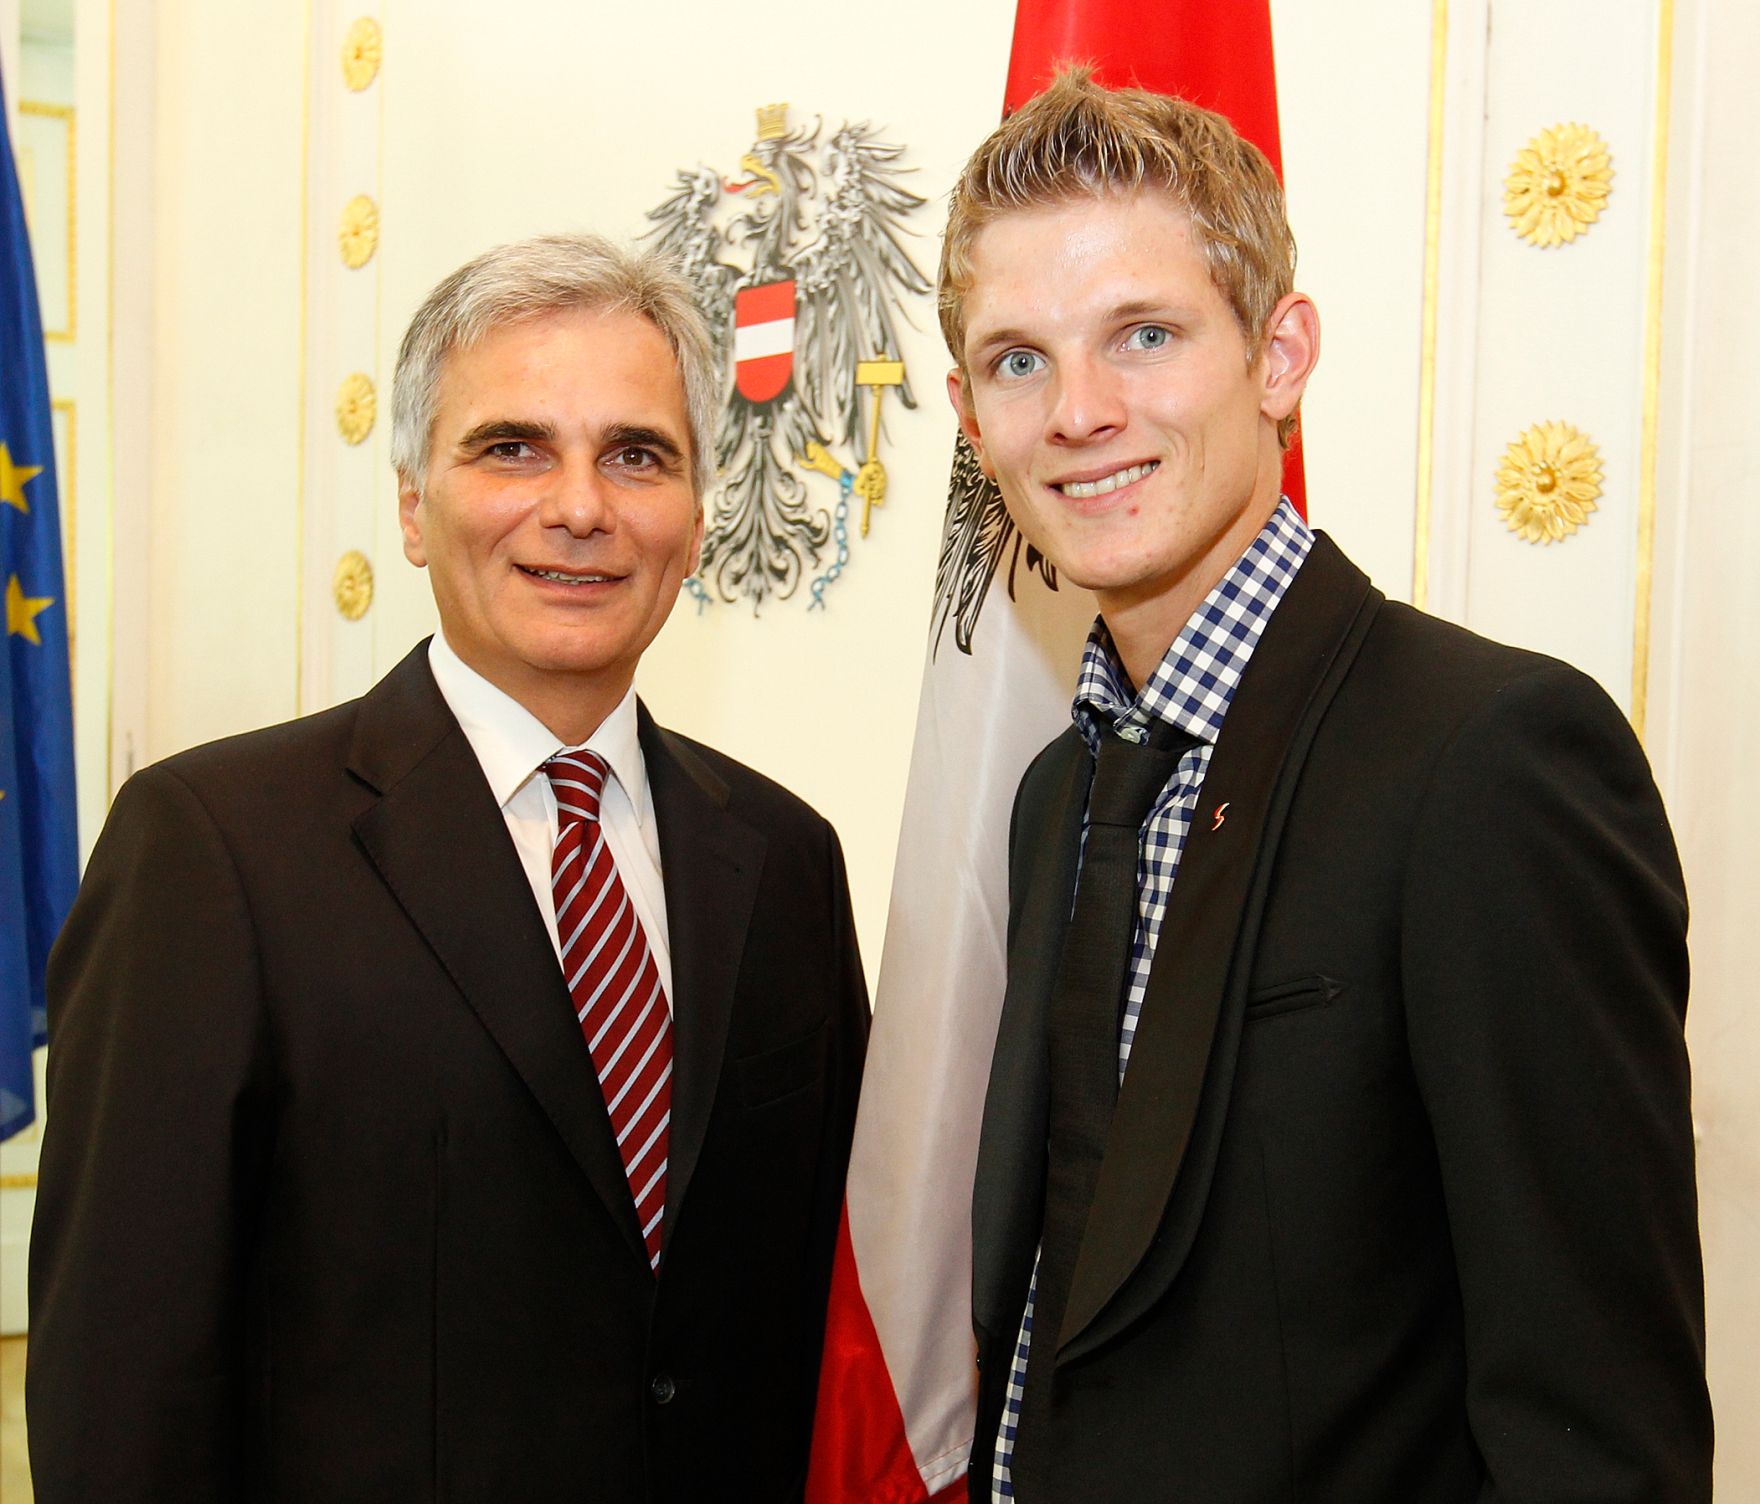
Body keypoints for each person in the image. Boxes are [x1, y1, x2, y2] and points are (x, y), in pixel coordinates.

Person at [941, 71, 1709, 1502]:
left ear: (1279, 356)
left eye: (1145, 335)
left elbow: (1596, 1430)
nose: (1080, 412)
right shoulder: (1064, 789)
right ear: (967, 413)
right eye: (1018, 360)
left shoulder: (1494, 760)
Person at [29, 232, 869, 1502]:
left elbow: (818, 1305)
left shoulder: (787, 859)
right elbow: (123, 1378)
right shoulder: (211, 847)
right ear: (416, 508)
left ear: (694, 521)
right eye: (512, 446)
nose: (579, 504)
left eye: (636, 455)